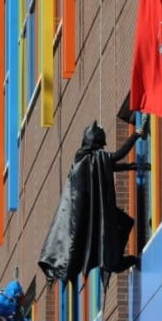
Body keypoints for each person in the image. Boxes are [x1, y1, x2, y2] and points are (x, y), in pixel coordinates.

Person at [38, 118, 149, 287]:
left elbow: (108, 165)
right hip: (95, 213)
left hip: (92, 212)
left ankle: (113, 260)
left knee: (126, 222)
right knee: (125, 222)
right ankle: (114, 261)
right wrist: (135, 135)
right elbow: (117, 156)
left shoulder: (83, 158)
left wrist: (133, 166)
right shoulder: (92, 158)